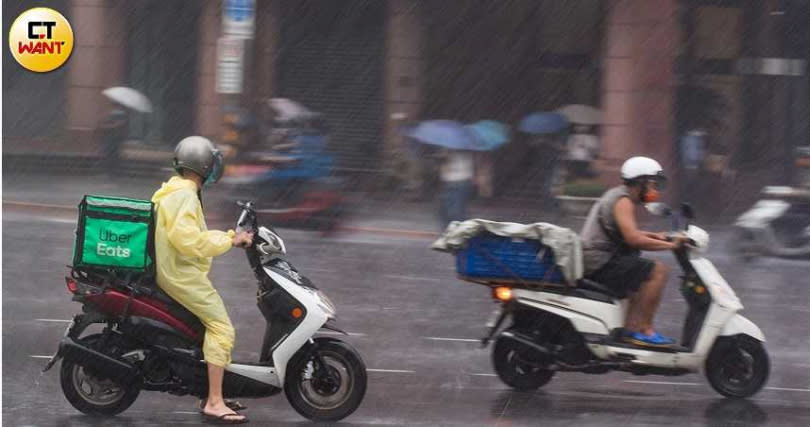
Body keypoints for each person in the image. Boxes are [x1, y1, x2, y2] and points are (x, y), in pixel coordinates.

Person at [151, 136, 253, 424]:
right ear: (204, 165)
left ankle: (209, 391)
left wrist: (226, 237)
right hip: (180, 275)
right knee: (222, 328)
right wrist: (231, 239)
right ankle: (215, 401)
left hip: (175, 270)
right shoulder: (184, 195)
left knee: (201, 329)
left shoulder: (173, 191)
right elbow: (188, 241)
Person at [580, 156, 687, 347]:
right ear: (641, 182)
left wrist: (658, 236)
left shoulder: (619, 196)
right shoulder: (623, 201)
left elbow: (627, 232)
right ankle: (643, 329)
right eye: (652, 184)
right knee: (658, 271)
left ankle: (629, 330)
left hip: (598, 259)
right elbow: (633, 239)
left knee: (639, 273)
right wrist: (672, 246)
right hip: (598, 261)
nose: (654, 190)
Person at [437, 148, 474, 228]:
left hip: (455, 183)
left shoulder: (449, 152)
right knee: (452, 209)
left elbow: (447, 168)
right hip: (461, 182)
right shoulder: (467, 151)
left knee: (455, 211)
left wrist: (444, 157)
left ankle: (461, 229)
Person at [100, 103, 129, 177]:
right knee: (112, 155)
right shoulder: (117, 115)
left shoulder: (119, 115)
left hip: (114, 137)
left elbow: (118, 125)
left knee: (113, 155)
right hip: (114, 137)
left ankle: (113, 172)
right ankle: (112, 172)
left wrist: (110, 126)